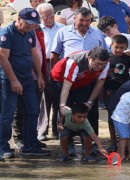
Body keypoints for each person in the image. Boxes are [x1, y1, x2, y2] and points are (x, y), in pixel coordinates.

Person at [0, 8, 49, 158]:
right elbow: (3, 58)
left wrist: (40, 76)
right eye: (28, 23)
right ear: (19, 19)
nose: (31, 26)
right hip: (9, 80)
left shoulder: (30, 32)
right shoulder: (6, 33)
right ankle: (2, 147)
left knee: (33, 111)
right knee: (7, 115)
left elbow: (34, 54)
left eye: (33, 24)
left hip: (27, 79)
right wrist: (14, 81)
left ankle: (29, 145)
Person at [50, 47, 109, 155]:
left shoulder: (106, 63)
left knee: (86, 110)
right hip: (60, 81)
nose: (100, 67)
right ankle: (67, 146)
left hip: (83, 82)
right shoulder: (74, 62)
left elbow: (100, 83)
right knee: (66, 111)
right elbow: (67, 86)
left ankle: (88, 145)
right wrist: (63, 105)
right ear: (89, 58)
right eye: (97, 63)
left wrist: (90, 101)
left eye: (103, 64)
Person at [37, 3, 65, 139]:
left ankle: (57, 129)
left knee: (59, 97)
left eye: (52, 14)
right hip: (44, 64)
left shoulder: (62, 28)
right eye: (46, 15)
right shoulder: (37, 29)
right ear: (40, 16)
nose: (49, 18)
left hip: (60, 63)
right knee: (44, 98)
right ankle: (42, 131)